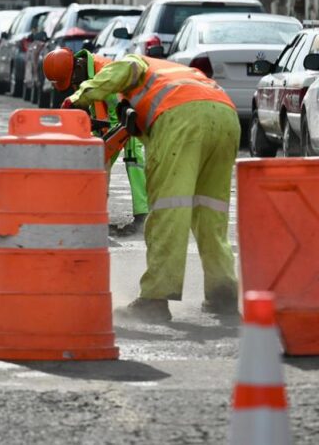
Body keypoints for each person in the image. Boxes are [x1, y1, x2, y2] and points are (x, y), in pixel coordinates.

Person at [60, 51, 240, 322]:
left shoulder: (127, 62)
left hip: (181, 118)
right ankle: (223, 295)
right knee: (211, 214)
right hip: (225, 115)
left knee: (169, 209)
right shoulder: (166, 72)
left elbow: (125, 69)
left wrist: (76, 99)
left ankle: (155, 299)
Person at [43, 47, 149, 231]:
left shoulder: (103, 72)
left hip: (133, 114)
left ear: (78, 67)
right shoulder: (86, 72)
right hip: (117, 118)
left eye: (72, 80)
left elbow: (117, 117)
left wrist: (102, 146)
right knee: (97, 161)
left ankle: (144, 216)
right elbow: (100, 111)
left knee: (133, 158)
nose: (74, 85)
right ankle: (91, 214)